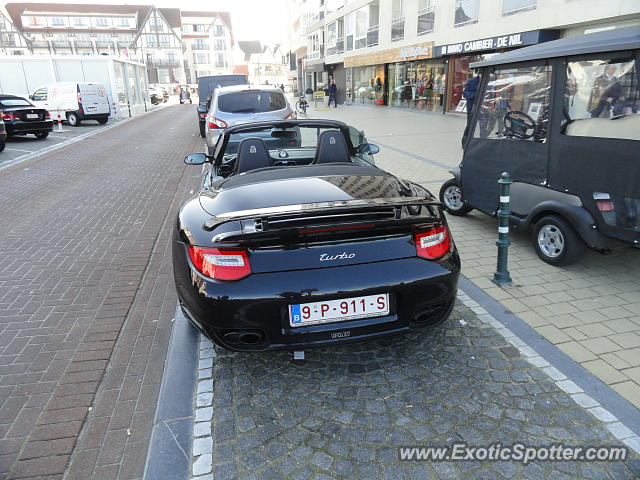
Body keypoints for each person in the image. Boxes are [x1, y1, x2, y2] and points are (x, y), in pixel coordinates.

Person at [461, 71, 480, 144]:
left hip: (484, 110)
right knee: (470, 126)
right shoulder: (472, 81)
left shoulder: (490, 81)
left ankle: (480, 142)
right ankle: (466, 142)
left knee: (483, 127)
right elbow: (465, 94)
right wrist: (476, 95)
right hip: (472, 109)